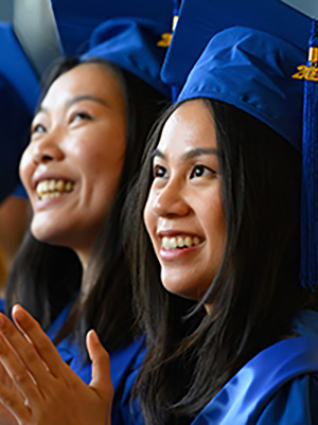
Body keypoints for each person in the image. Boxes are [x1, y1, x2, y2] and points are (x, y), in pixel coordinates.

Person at [1, 2, 318, 425]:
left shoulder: (289, 380)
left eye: (200, 170)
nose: (164, 201)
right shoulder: (189, 374)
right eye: (160, 171)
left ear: (268, 193)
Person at [2, 16, 169, 425]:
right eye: (38, 126)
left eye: (79, 118)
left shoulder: (180, 357)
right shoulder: (38, 328)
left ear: (152, 148)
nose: (41, 148)